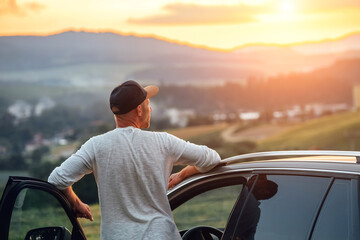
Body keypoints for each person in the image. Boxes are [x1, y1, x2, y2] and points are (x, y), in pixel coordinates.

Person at [48, 80, 221, 240]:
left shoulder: (96, 146)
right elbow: (212, 159)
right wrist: (184, 173)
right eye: (148, 104)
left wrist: (76, 203)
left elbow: (57, 179)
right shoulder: (163, 142)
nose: (150, 109)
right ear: (139, 109)